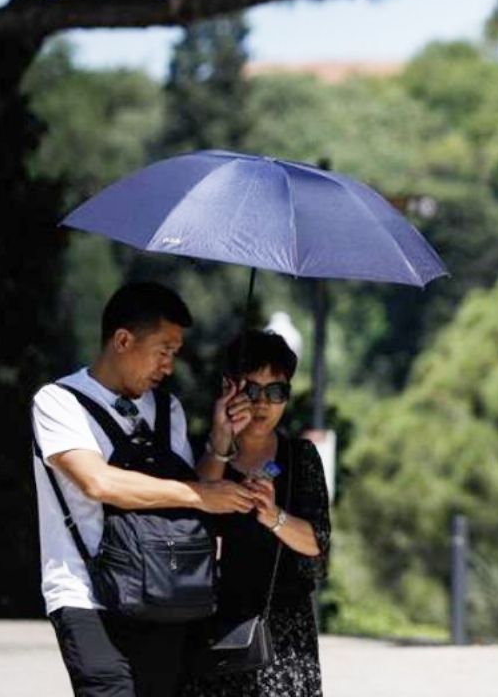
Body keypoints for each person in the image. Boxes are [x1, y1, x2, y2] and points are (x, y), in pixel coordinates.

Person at [31, 282, 258, 697]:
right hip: (86, 594)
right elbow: (97, 481)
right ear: (122, 340)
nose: (169, 366)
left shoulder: (166, 407)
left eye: (175, 353)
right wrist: (199, 495)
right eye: (164, 350)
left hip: (162, 592)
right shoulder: (59, 402)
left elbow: (191, 487)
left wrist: (222, 438)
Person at [181, 329, 332, 697]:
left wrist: (273, 515)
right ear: (229, 387)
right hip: (214, 622)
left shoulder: (300, 458)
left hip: (282, 628)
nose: (263, 403)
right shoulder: (200, 448)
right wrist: (220, 441)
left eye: (276, 391)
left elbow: (317, 542)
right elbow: (191, 510)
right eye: (251, 389)